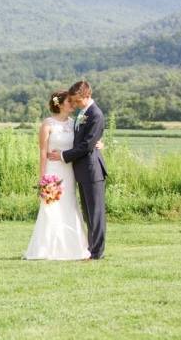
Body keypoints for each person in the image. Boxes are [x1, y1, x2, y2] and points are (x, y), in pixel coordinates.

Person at [23, 90, 93, 260]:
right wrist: (43, 177)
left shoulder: (73, 123)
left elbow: (84, 142)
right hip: (53, 172)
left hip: (69, 172)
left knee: (69, 206)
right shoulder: (48, 124)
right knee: (51, 208)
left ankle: (72, 248)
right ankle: (47, 249)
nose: (73, 104)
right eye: (70, 101)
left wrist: (97, 142)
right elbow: (42, 151)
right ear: (60, 104)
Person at [48, 81, 108, 260]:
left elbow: (86, 145)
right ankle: (90, 249)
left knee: (96, 214)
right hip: (82, 171)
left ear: (87, 96)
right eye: (72, 101)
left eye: (76, 101)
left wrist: (63, 156)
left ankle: (97, 253)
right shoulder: (83, 113)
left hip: (92, 171)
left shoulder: (95, 114)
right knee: (88, 214)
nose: (74, 104)